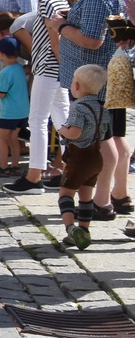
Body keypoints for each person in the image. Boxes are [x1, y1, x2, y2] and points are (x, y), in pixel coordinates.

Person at [50, 0, 135, 224]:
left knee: (102, 141)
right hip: (114, 74)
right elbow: (116, 31)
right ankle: (119, 195)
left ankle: (102, 201)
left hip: (94, 79)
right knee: (115, 137)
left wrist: (61, 25)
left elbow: (92, 40)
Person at [11, 0, 72, 192]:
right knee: (62, 118)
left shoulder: (47, 3)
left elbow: (55, 39)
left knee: (37, 121)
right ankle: (70, 169)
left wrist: (63, 67)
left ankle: (34, 175)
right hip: (56, 68)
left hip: (48, 67)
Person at [57, 64, 109, 248]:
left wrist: (63, 130)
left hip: (79, 157)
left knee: (66, 193)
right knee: (86, 195)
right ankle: (85, 231)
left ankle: (72, 230)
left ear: (77, 86)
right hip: (96, 156)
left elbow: (75, 132)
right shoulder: (101, 108)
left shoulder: (78, 107)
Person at [0, 36, 29, 175]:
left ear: (1, 54)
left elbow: (1, 94)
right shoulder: (19, 68)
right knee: (13, 138)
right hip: (23, 111)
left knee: (1, 137)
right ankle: (15, 165)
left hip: (10, 112)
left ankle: (3, 167)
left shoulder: (6, 72)